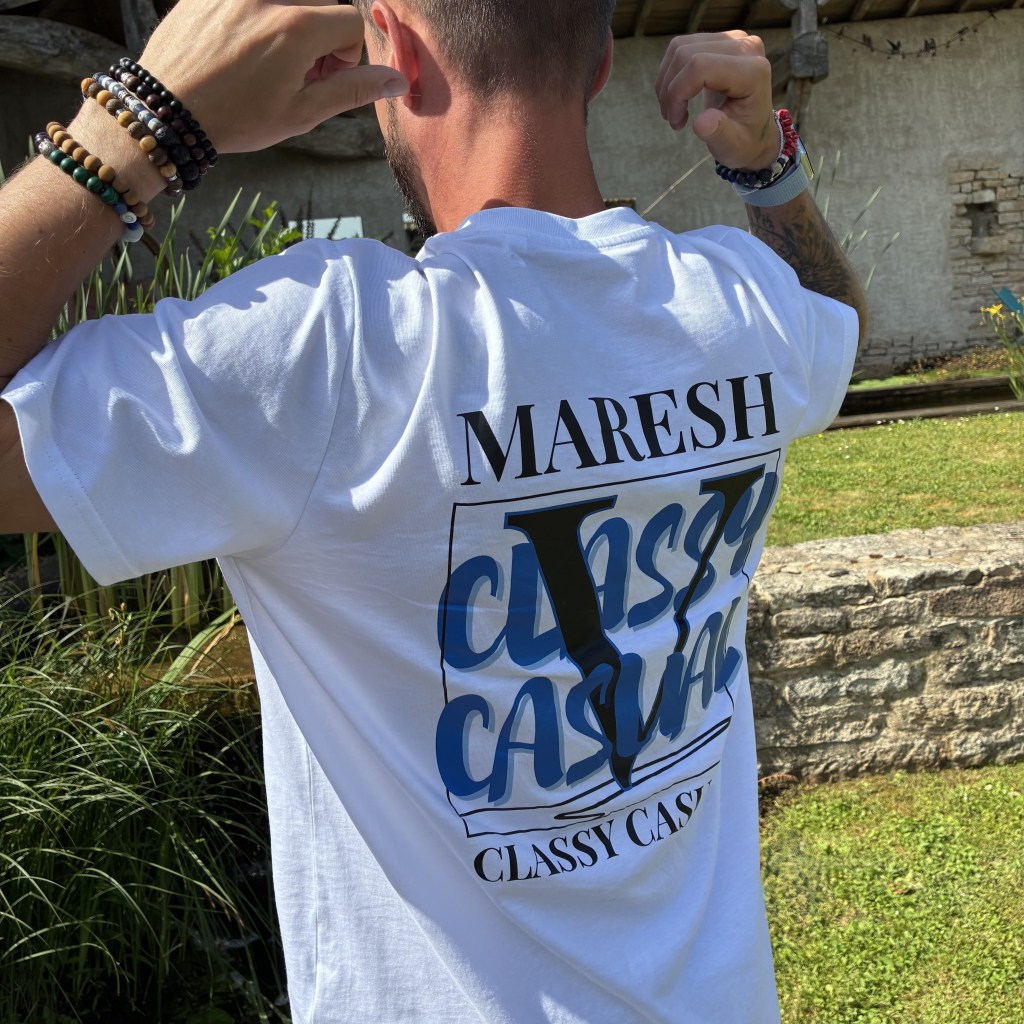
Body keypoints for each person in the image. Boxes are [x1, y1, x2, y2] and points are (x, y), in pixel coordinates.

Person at [0, 1, 866, 1020]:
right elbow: (838, 324)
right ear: (598, 62)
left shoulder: (330, 352)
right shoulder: (736, 306)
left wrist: (139, 122)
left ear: (396, 50)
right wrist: (767, 167)